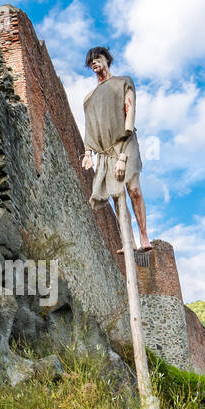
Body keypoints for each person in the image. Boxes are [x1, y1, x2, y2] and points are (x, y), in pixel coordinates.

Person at [81, 46, 150, 253]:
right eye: (91, 61)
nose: (94, 62)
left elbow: (129, 112)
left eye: (98, 58)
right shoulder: (89, 97)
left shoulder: (123, 82)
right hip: (105, 150)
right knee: (116, 195)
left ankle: (144, 235)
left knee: (134, 189)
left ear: (107, 59)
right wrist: (87, 153)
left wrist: (122, 155)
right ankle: (127, 241)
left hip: (125, 142)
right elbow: (89, 126)